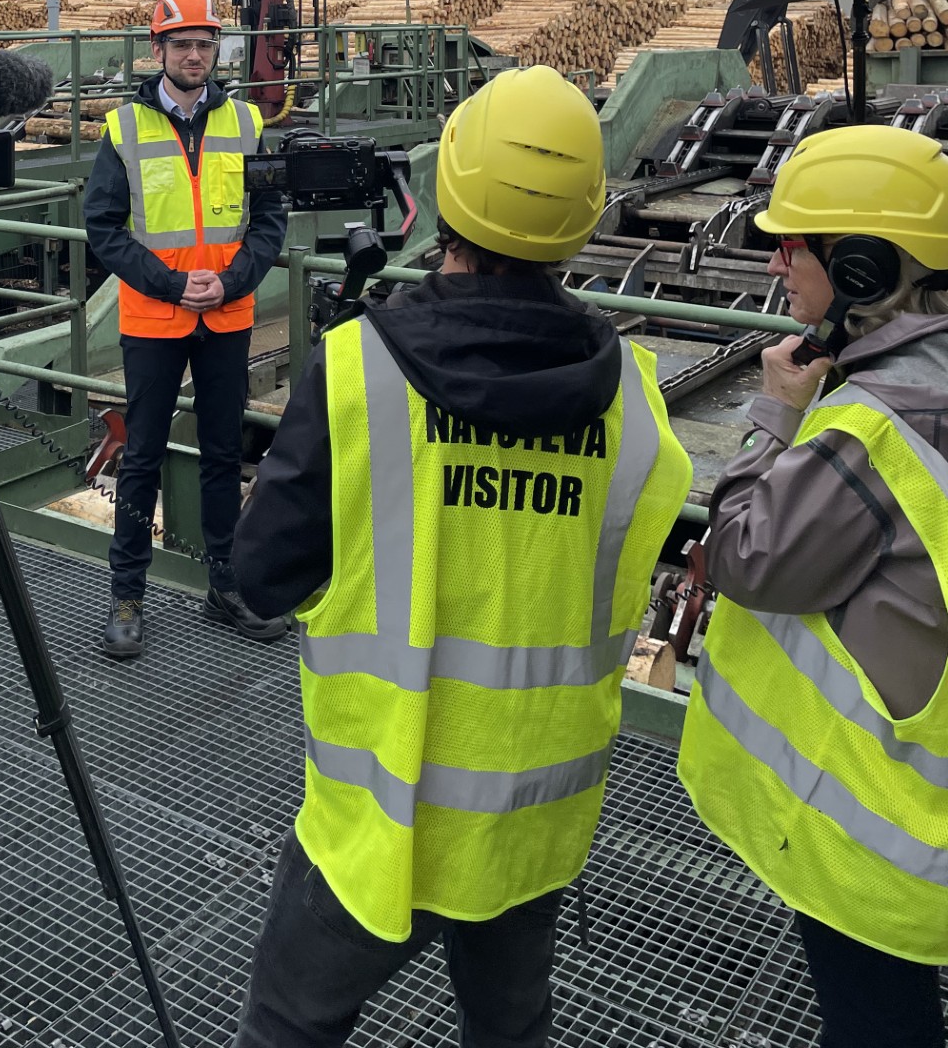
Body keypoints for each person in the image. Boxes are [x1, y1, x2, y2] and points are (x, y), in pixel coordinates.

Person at [229, 65, 692, 1048]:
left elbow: (263, 577)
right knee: (510, 1029)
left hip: (382, 821)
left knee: (289, 1024)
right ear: (580, 217)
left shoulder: (359, 372)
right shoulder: (638, 406)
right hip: (533, 819)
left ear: (448, 194)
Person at [679, 124, 948, 1048]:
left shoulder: (877, 425)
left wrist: (777, 416)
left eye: (792, 244)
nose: (775, 263)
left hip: (877, 837)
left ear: (865, 267)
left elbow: (748, 556)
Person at [84, 0, 289, 659]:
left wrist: (230, 281)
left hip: (227, 314)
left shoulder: (246, 123)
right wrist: (174, 285)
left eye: (205, 43)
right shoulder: (124, 129)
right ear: (158, 50)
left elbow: (269, 220)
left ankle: (224, 585)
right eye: (182, 44)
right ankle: (126, 595)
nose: (195, 55)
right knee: (142, 456)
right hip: (154, 317)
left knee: (223, 454)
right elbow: (104, 229)